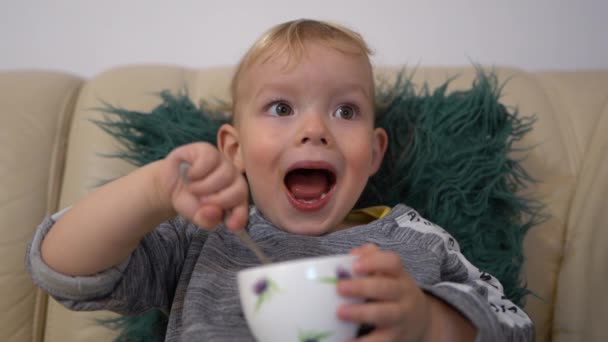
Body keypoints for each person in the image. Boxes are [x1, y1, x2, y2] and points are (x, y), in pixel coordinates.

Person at [26, 19, 533, 341]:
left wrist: (430, 324)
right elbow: (60, 268)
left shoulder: (417, 240)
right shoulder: (203, 239)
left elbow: (514, 327)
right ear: (235, 149)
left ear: (375, 152)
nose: (314, 130)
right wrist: (156, 188)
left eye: (345, 110)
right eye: (282, 107)